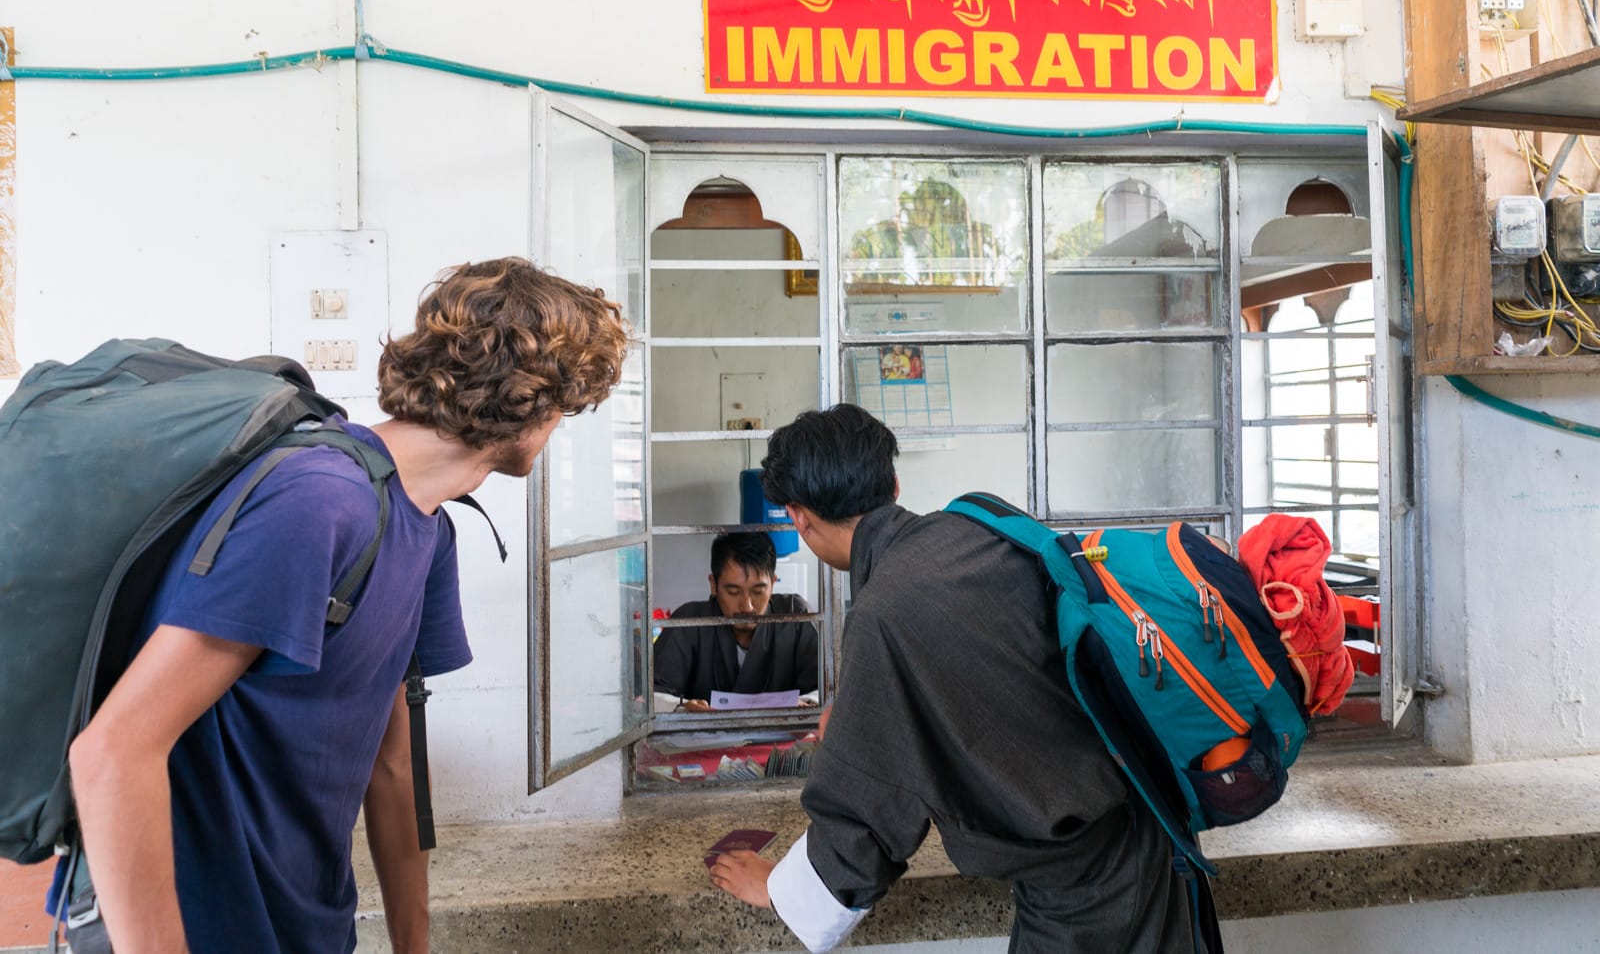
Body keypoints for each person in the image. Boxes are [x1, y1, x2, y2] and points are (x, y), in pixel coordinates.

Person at [64, 258, 629, 954]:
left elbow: (391, 762)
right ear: (529, 402)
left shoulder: (428, 527)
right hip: (192, 926)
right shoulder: (319, 501)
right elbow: (112, 751)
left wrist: (411, 945)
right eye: (564, 409)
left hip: (308, 922)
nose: (557, 427)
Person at [709, 403, 1199, 953]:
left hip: (1089, 885)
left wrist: (781, 889)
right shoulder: (976, 524)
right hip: (1147, 822)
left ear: (798, 516)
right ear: (894, 484)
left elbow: (866, 810)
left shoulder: (882, 610)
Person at [653, 531, 820, 712]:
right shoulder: (689, 622)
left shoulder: (796, 617)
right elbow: (650, 696)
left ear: (773, 583)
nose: (747, 606)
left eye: (758, 591)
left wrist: (805, 704)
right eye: (733, 591)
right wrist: (682, 707)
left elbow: (830, 687)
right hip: (707, 739)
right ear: (713, 584)